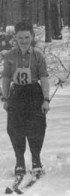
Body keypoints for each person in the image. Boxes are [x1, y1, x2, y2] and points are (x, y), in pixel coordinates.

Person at [1, 21, 50, 178]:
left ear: (32, 37)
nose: (24, 41)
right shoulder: (9, 56)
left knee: (37, 128)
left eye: (27, 37)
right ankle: (20, 161)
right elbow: (6, 78)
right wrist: (6, 97)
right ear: (15, 37)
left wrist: (46, 99)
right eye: (20, 37)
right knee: (15, 129)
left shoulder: (37, 55)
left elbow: (44, 78)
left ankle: (36, 160)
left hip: (34, 92)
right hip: (17, 93)